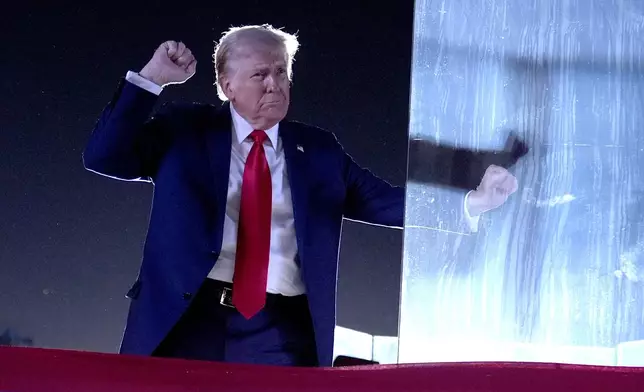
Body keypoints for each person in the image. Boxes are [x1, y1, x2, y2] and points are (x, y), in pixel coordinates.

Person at [83, 24, 518, 367]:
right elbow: (105, 157)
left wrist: (472, 202)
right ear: (227, 84)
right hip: (186, 323)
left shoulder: (321, 151)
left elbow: (384, 201)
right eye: (259, 74)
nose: (274, 84)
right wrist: (151, 80)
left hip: (280, 333)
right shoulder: (185, 130)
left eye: (281, 72)